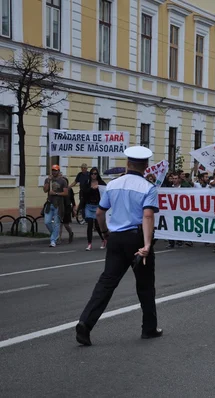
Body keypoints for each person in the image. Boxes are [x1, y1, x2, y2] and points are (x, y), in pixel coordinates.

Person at [76, 146, 162, 346]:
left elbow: (99, 212)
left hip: (116, 238)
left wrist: (105, 233)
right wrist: (147, 245)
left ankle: (85, 323)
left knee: (106, 282)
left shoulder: (113, 185)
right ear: (146, 166)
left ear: (127, 164)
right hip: (137, 238)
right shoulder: (148, 188)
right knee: (145, 285)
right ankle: (149, 328)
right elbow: (148, 216)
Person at [42, 165, 68, 247]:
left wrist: (56, 193)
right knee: (47, 222)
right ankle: (55, 235)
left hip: (59, 205)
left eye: (56, 170)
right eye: (53, 170)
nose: (54, 172)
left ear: (58, 171)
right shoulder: (48, 179)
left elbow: (65, 193)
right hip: (50, 203)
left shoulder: (63, 181)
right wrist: (48, 181)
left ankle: (53, 240)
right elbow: (45, 190)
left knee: (57, 223)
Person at [81, 167, 107, 251]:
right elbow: (84, 192)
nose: (93, 175)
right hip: (89, 205)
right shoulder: (87, 183)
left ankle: (103, 239)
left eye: (95, 174)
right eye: (92, 173)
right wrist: (91, 188)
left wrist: (98, 188)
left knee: (97, 225)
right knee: (89, 224)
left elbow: (105, 191)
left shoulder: (101, 183)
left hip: (97, 205)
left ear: (97, 174)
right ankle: (89, 244)